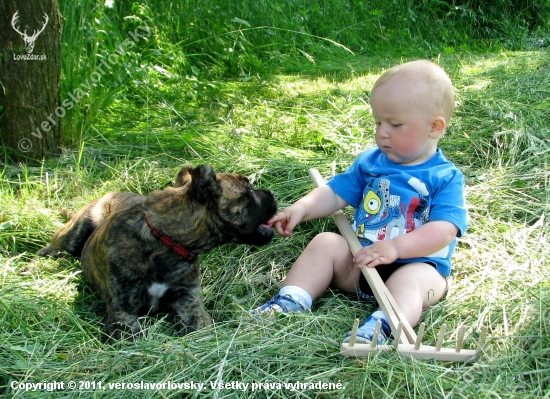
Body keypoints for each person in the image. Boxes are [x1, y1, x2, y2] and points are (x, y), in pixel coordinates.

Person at [252, 60, 469, 345]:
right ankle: (292, 298)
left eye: (395, 124)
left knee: (413, 281)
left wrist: (395, 247)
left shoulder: (445, 177)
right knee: (326, 242)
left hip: (414, 266)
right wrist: (301, 209)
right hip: (360, 264)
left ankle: (383, 325)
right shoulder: (370, 163)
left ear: (434, 127)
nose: (382, 132)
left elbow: (444, 230)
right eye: (378, 122)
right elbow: (335, 193)